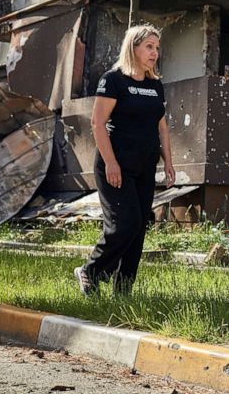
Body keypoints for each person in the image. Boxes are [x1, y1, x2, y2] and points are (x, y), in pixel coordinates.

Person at [74, 24, 176, 296]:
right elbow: (97, 123)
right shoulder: (114, 80)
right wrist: (111, 163)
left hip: (145, 166)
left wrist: (168, 162)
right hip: (116, 164)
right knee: (125, 223)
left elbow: (162, 126)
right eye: (149, 47)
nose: (155, 52)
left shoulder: (155, 85)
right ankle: (91, 271)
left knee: (139, 227)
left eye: (156, 47)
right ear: (134, 48)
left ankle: (123, 290)